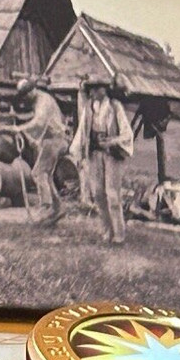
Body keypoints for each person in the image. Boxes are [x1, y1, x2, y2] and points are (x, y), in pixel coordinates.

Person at [70, 77, 134, 245]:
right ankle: (107, 231)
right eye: (90, 89)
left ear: (104, 90)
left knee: (112, 195)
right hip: (95, 154)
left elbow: (127, 133)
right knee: (98, 194)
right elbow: (82, 131)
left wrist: (112, 141)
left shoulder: (115, 106)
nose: (92, 92)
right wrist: (77, 153)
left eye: (96, 88)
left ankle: (119, 236)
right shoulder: (89, 108)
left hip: (112, 155)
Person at [2, 78, 69, 225]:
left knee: (38, 173)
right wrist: (31, 136)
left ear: (33, 89)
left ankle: (46, 206)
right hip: (50, 140)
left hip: (55, 140)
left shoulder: (43, 101)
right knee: (46, 175)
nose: (25, 97)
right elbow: (40, 124)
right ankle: (58, 208)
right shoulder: (38, 100)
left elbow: (39, 122)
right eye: (23, 95)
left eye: (26, 93)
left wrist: (18, 128)